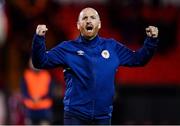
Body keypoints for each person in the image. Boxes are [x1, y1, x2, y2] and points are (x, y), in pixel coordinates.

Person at [31, 7, 159, 125]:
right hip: (75, 115)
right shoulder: (67, 48)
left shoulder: (112, 47)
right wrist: (39, 39)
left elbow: (138, 59)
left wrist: (151, 42)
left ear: (99, 24)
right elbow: (40, 62)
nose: (88, 20)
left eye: (92, 17)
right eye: (84, 18)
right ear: (78, 25)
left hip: (103, 116)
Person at [20, 58, 54, 125]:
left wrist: (40, 98)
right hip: (30, 107)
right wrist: (31, 98)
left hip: (44, 108)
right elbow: (24, 91)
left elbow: (50, 92)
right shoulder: (26, 75)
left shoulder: (46, 75)